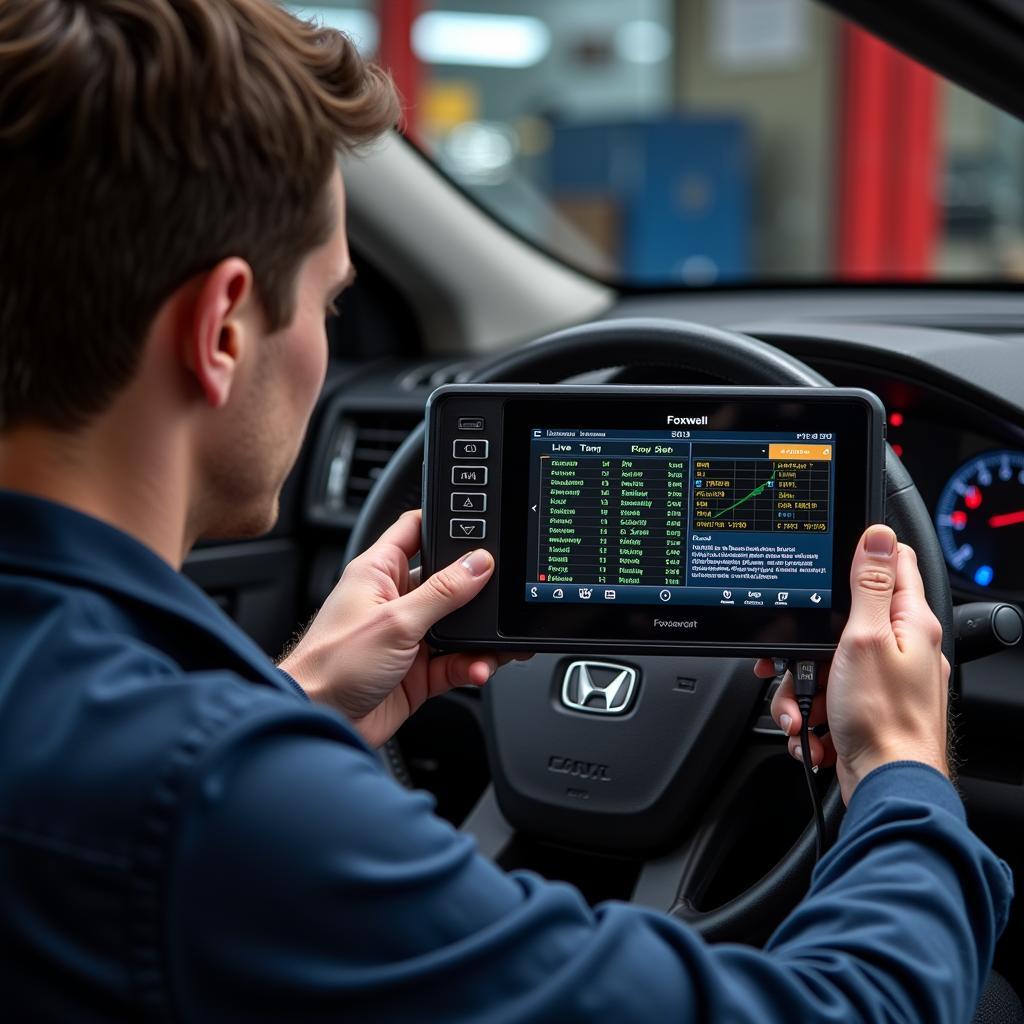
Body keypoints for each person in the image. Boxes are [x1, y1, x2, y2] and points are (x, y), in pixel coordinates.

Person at [0, 1, 1011, 1020]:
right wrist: (899, 766)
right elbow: (858, 1005)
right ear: (221, 328)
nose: (322, 346)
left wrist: (294, 702)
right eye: (329, 305)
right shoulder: (221, 812)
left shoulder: (127, 750)